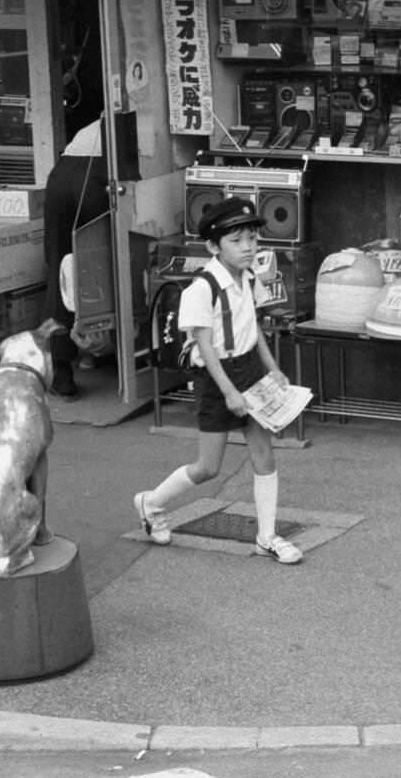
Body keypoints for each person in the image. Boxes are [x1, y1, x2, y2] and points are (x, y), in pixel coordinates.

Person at [134, 197, 303, 564]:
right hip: (216, 377)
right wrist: (228, 391)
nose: (248, 247)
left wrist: (272, 366)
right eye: (237, 241)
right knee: (208, 467)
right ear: (213, 246)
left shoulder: (250, 276)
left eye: (253, 239)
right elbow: (204, 345)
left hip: (250, 370)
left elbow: (253, 325)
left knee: (264, 454)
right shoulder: (203, 287)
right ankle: (151, 503)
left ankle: (267, 536)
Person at [42, 116, 109, 398]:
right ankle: (97, 347)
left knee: (60, 269)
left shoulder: (90, 126)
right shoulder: (141, 117)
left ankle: (61, 370)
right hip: (96, 175)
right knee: (103, 264)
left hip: (61, 174)